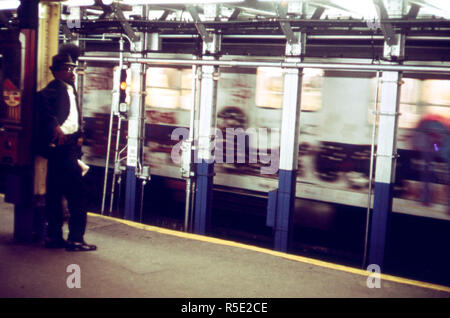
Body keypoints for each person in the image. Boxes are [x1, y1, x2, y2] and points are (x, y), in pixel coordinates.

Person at [35, 53, 96, 251]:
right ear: (57, 71)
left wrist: (79, 133)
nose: (72, 73)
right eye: (68, 69)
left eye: (72, 69)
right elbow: (40, 100)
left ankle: (54, 237)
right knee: (78, 194)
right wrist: (54, 126)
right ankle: (76, 239)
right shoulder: (55, 88)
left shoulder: (70, 89)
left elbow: (73, 116)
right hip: (63, 149)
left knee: (55, 193)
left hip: (66, 148)